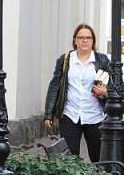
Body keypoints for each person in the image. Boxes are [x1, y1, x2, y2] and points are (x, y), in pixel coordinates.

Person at [43, 24, 111, 162]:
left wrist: (106, 92)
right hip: (70, 114)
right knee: (68, 158)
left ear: (93, 41)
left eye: (88, 38)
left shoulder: (102, 60)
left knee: (98, 158)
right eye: (81, 37)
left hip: (95, 115)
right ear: (75, 40)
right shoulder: (65, 60)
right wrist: (48, 114)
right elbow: (55, 86)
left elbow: (116, 86)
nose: (84, 41)